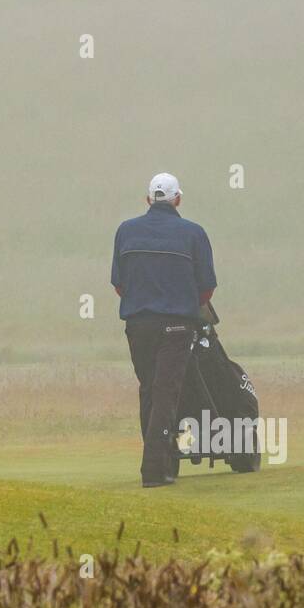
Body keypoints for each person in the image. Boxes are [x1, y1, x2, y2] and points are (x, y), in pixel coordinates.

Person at [111, 173, 216, 487]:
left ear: (148, 199)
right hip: (177, 325)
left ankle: (161, 460)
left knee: (149, 390)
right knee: (165, 393)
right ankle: (156, 470)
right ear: (177, 199)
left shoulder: (125, 231)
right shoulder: (193, 233)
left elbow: (119, 284)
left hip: (138, 325)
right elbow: (207, 289)